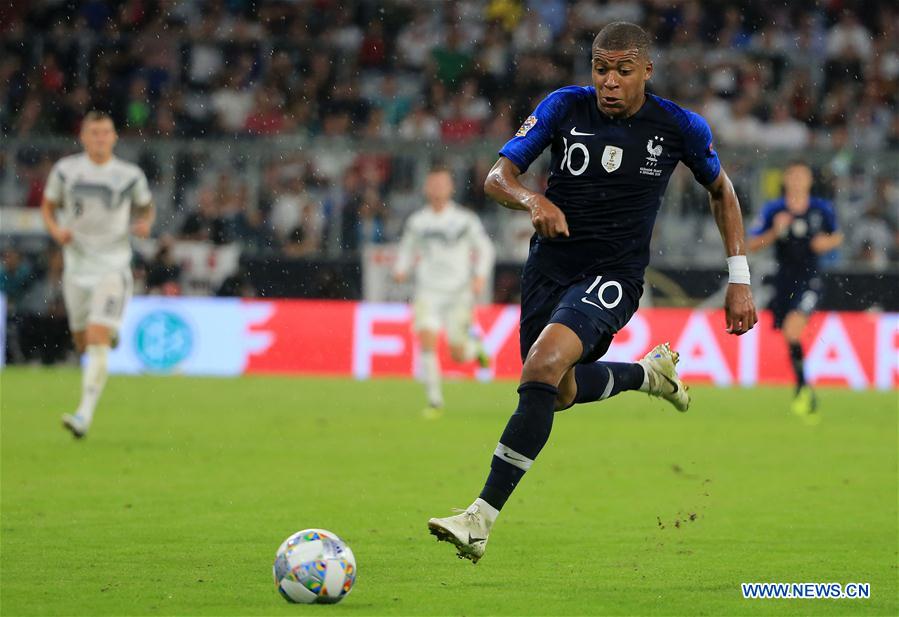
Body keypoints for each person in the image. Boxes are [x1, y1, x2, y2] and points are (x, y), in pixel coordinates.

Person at [427, 22, 758, 562]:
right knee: (556, 391)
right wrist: (532, 200)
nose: (610, 81)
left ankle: (479, 519)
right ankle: (648, 374)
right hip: (549, 270)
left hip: (613, 274)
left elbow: (721, 192)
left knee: (542, 366)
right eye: (602, 69)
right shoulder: (564, 107)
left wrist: (739, 279)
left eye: (623, 71)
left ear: (646, 72)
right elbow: (496, 176)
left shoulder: (678, 126)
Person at [40, 111, 155, 438]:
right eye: (94, 133)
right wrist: (56, 230)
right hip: (77, 267)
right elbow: (49, 206)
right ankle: (106, 332)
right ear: (83, 137)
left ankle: (83, 416)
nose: (100, 138)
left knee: (96, 337)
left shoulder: (128, 175)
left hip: (113, 266)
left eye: (106, 132)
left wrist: (145, 224)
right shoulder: (66, 171)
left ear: (115, 137)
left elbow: (146, 206)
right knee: (81, 341)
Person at [393, 166, 495, 419]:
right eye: (433, 184)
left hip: (459, 293)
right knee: (427, 340)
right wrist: (401, 268)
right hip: (427, 291)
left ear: (451, 188)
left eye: (442, 184)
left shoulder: (464, 219)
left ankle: (475, 349)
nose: (438, 189)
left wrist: (480, 275)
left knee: (458, 354)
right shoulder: (418, 222)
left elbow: (485, 248)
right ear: (426, 189)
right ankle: (435, 401)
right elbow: (406, 249)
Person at [747, 162, 842, 422]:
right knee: (789, 336)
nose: (798, 180)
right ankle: (803, 387)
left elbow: (836, 236)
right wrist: (774, 232)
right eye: (793, 175)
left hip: (809, 279)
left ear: (810, 180)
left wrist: (825, 243)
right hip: (782, 280)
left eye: (803, 176)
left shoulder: (821, 209)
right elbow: (752, 244)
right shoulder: (774, 210)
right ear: (786, 179)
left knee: (792, 329)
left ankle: (802, 388)